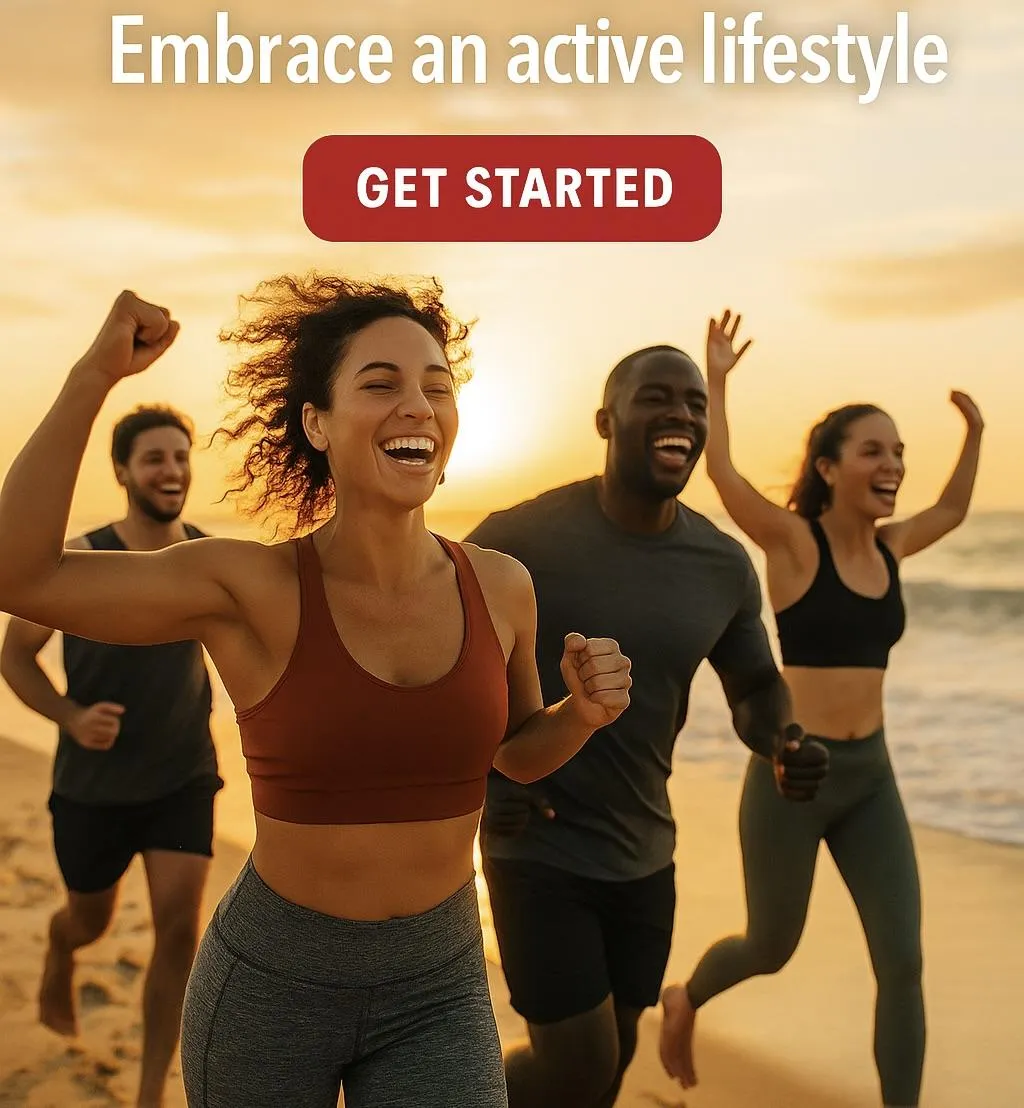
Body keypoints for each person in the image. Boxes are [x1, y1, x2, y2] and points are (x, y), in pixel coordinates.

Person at [0, 279, 633, 1108]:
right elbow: (22, 576)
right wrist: (94, 375)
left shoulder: (503, 586)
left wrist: (578, 718)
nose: (418, 406)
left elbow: (515, 755)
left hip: (437, 987)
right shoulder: (250, 586)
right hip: (271, 983)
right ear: (317, 424)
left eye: (436, 387)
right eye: (381, 384)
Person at [466, 341, 830, 1108]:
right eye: (658, 398)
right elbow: (439, 667)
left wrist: (782, 741)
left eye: (696, 403)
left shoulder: (721, 564)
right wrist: (488, 779)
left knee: (610, 1066)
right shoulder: (518, 537)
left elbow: (756, 687)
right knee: (577, 1066)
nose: (683, 415)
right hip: (537, 841)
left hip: (645, 852)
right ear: (607, 419)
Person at [659, 311, 984, 1108]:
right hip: (790, 777)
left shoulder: (889, 548)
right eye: (875, 450)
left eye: (899, 452)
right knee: (770, 947)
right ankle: (686, 998)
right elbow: (727, 481)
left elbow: (952, 511)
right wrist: (721, 381)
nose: (894, 464)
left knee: (902, 960)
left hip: (871, 776)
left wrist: (974, 432)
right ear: (830, 467)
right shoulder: (794, 544)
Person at [0, 404, 220, 1108]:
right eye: (155, 458)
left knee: (180, 929)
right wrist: (68, 716)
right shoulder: (81, 560)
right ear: (123, 470)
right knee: (88, 920)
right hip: (93, 789)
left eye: (181, 456)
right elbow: (15, 654)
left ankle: (152, 1090)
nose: (172, 470)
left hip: (183, 778)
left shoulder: (209, 559)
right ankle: (62, 951)